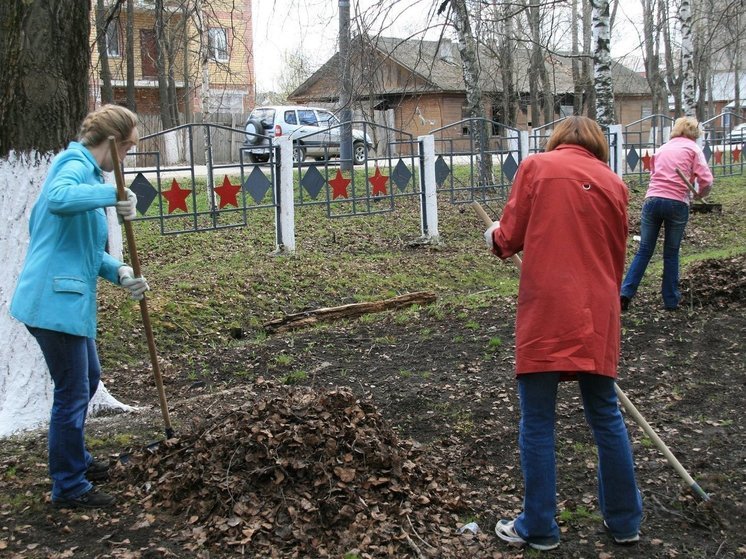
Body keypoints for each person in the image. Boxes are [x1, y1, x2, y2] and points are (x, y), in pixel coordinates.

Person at [484, 116, 643, 550]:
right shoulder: (614, 183)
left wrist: (493, 237)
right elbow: (613, 253)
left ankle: (538, 527)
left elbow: (509, 237)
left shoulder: (537, 167)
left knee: (537, 420)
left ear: (557, 141)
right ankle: (625, 521)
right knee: (606, 415)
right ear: (596, 147)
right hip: (599, 310)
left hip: (549, 308)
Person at [10, 104, 149, 509]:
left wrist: (121, 272)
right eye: (125, 151)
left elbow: (87, 250)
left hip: (66, 301)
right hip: (53, 302)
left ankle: (77, 461)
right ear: (110, 143)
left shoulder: (86, 175)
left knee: (86, 380)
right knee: (72, 391)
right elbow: (57, 198)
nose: (123, 161)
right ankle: (69, 485)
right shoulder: (72, 164)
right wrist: (114, 192)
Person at [620, 116, 713, 311]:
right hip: (677, 203)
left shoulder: (662, 148)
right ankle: (670, 301)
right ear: (694, 134)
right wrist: (700, 194)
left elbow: (653, 174)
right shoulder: (693, 149)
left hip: (652, 200)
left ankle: (625, 294)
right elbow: (706, 179)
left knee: (644, 250)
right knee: (671, 252)